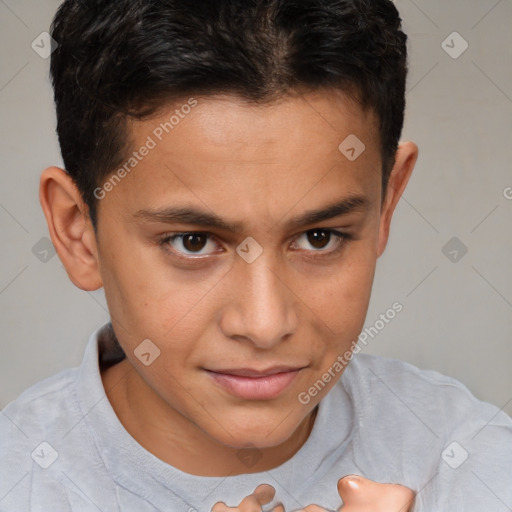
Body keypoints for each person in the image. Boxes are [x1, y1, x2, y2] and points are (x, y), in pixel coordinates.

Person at [1, 0, 511, 511]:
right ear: (77, 232)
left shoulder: (471, 462)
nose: (265, 325)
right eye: (193, 242)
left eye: (319, 237)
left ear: (387, 202)